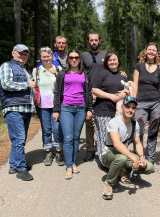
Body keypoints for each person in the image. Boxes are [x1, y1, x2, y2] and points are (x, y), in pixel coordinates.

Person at [101, 97, 155, 200]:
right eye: (128, 107)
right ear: (122, 107)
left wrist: (141, 157)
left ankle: (123, 171)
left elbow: (138, 142)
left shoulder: (135, 124)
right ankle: (109, 184)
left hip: (123, 154)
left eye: (133, 108)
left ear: (135, 110)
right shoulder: (114, 122)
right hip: (108, 154)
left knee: (149, 168)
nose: (130, 110)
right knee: (122, 158)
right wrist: (134, 159)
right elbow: (117, 144)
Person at [53, 50, 93, 180]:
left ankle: (73, 161)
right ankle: (69, 166)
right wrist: (56, 110)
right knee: (68, 137)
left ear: (79, 59)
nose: (74, 60)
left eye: (76, 57)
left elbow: (88, 92)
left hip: (81, 108)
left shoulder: (84, 74)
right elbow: (57, 93)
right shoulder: (62, 74)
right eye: (71, 57)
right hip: (66, 108)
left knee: (76, 137)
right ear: (68, 59)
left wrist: (89, 109)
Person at [0, 44, 36, 181]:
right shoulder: (6, 66)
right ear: (13, 53)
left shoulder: (24, 69)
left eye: (25, 54)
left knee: (18, 139)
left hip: (25, 108)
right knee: (19, 139)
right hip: (13, 108)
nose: (23, 56)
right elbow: (6, 84)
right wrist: (28, 85)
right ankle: (21, 169)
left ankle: (13, 165)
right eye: (20, 53)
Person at [132, 42, 160, 164]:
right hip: (141, 103)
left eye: (154, 50)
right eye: (149, 49)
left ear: (157, 53)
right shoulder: (138, 67)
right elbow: (135, 85)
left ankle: (150, 159)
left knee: (153, 132)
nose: (151, 52)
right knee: (138, 131)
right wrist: (133, 101)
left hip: (155, 104)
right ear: (145, 51)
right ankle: (138, 158)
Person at [91, 52, 127, 162]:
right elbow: (94, 89)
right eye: (110, 60)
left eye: (114, 59)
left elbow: (127, 90)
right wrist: (110, 96)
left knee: (117, 138)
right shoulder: (102, 74)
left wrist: (124, 94)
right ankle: (104, 160)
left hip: (119, 113)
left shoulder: (122, 75)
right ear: (106, 62)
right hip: (103, 111)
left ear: (118, 61)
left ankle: (116, 160)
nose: (112, 62)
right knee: (104, 137)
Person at [32, 47, 64, 166]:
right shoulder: (36, 71)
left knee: (57, 129)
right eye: (44, 57)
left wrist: (57, 74)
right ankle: (48, 152)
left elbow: (65, 85)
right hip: (42, 106)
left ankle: (59, 152)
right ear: (41, 58)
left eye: (48, 56)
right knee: (46, 130)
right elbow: (33, 86)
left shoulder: (59, 69)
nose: (46, 59)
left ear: (52, 57)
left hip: (57, 106)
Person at [81, 32, 108, 162]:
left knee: (104, 122)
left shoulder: (106, 55)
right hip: (89, 92)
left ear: (99, 41)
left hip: (104, 93)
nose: (94, 42)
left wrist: (123, 73)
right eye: (91, 40)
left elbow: (113, 68)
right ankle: (90, 149)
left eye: (96, 40)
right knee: (90, 123)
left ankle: (106, 148)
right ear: (88, 42)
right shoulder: (84, 56)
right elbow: (78, 71)